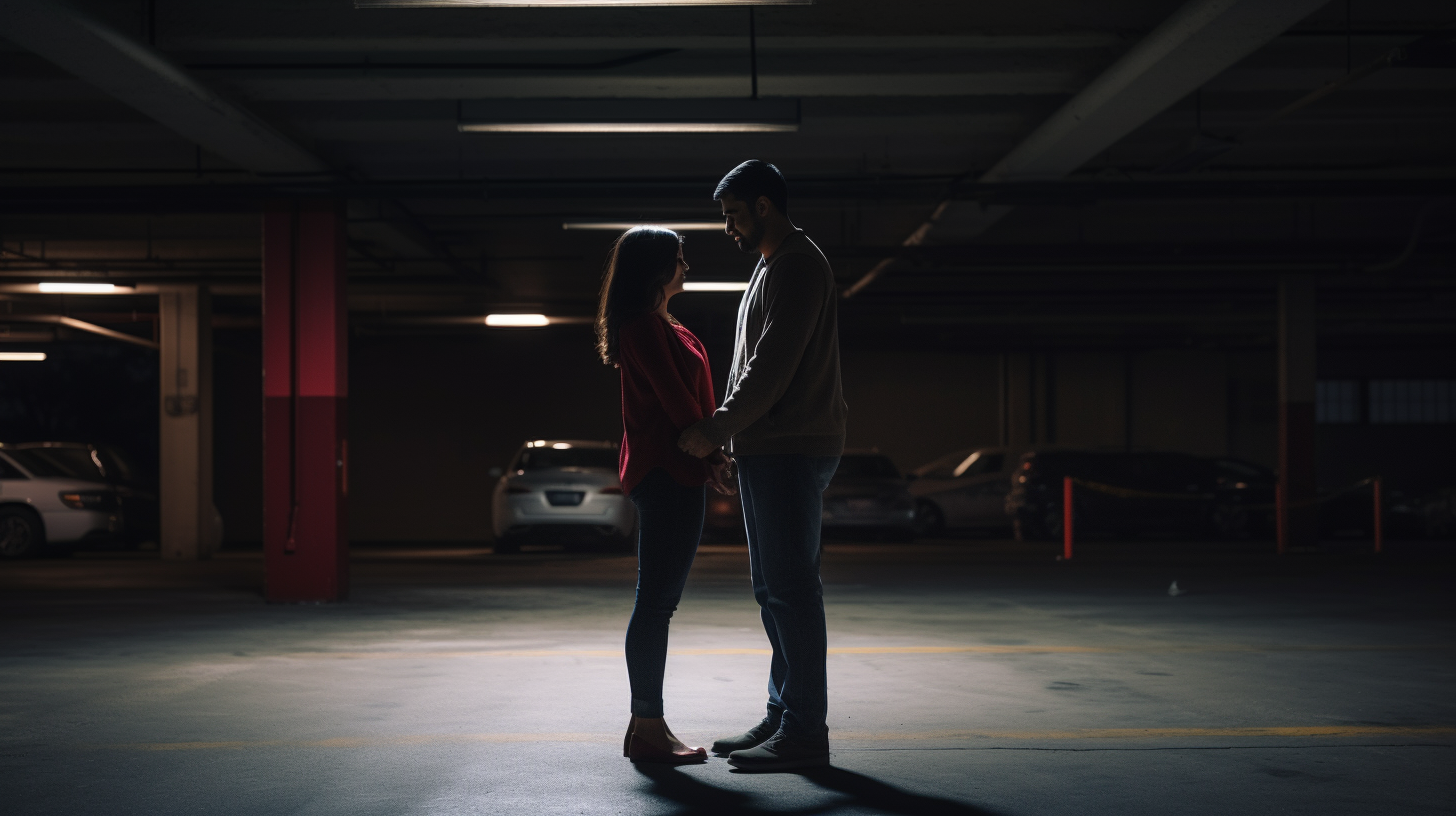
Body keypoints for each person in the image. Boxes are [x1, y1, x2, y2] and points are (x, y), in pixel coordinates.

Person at [679, 160, 848, 771]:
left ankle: (804, 732)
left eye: (731, 216)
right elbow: (744, 363)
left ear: (763, 206)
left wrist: (716, 429)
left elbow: (771, 367)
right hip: (770, 448)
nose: (727, 229)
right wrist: (733, 441)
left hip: (793, 448)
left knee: (792, 591)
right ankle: (784, 714)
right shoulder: (770, 265)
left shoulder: (800, 264)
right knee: (775, 589)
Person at [595, 226, 735, 765]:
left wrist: (710, 454)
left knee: (656, 602)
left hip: (678, 471)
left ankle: (644, 728)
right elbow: (678, 401)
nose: (687, 266)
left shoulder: (662, 324)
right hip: (669, 473)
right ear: (656, 269)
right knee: (656, 603)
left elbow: (691, 398)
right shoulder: (643, 327)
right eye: (679, 259)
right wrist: (713, 455)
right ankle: (649, 727)